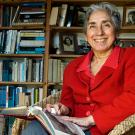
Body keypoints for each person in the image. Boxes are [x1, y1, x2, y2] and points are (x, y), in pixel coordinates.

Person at [21, 2, 135, 135]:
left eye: (106, 25)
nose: (99, 32)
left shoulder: (130, 57)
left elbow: (132, 96)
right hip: (70, 125)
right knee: (34, 129)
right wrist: (62, 108)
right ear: (87, 35)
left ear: (116, 31)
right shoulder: (73, 66)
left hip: (106, 129)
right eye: (93, 26)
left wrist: (91, 120)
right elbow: (68, 102)